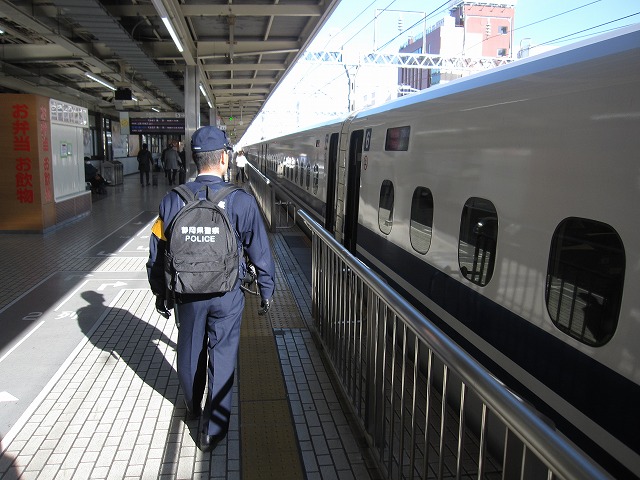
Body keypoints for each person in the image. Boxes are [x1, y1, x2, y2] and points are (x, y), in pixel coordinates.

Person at [146, 125, 275, 453]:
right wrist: (266, 289)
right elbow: (259, 249)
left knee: (189, 351)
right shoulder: (240, 201)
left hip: (187, 294)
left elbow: (157, 252)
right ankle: (212, 432)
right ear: (222, 157)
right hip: (227, 293)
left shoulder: (172, 200)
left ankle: (193, 408)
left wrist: (160, 292)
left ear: (193, 159)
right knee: (223, 354)